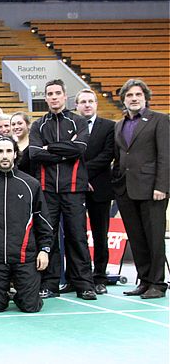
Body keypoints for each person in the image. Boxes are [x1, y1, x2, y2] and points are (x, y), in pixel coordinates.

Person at [29, 79, 96, 300]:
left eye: (58, 92)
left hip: (74, 189)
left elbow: (81, 148)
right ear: (45, 97)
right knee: (48, 237)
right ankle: (50, 283)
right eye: (50, 93)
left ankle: (84, 284)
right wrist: (66, 150)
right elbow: (35, 153)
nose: (54, 97)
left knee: (77, 237)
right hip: (47, 190)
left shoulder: (78, 121)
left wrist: (51, 149)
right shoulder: (38, 125)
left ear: (64, 96)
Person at [0, 136, 53, 313]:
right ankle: (3, 294)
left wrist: (45, 249)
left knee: (30, 307)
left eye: (9, 151)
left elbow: (44, 220)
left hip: (25, 258)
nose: (5, 156)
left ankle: (23, 294)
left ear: (15, 154)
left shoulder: (31, 184)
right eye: (0, 151)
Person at [112, 79, 169, 299]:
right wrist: (117, 184)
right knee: (136, 237)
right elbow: (119, 157)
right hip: (126, 190)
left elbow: (166, 156)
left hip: (152, 190)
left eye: (138, 95)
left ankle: (158, 283)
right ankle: (144, 281)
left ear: (145, 98)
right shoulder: (120, 124)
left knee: (154, 238)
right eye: (129, 96)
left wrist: (162, 186)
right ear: (124, 99)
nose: (134, 99)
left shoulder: (160, 120)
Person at [76, 89, 114, 295]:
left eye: (91, 101)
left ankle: (99, 276)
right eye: (83, 102)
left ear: (96, 104)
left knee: (101, 235)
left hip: (99, 188)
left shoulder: (109, 127)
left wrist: (85, 176)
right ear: (77, 105)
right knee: (77, 234)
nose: (87, 105)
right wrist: (81, 179)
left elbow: (107, 154)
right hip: (74, 188)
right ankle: (78, 277)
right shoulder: (70, 126)